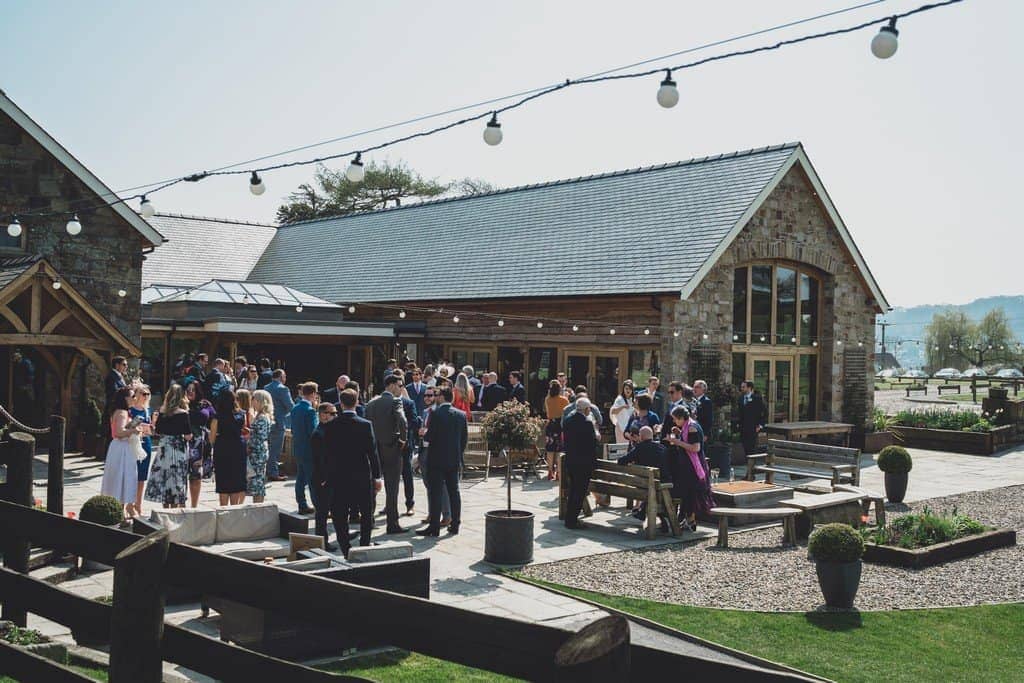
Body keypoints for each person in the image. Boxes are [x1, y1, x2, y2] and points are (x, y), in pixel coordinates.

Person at [321, 389, 383, 556]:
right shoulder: (365, 425)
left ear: (340, 404)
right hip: (361, 475)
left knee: (339, 514)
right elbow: (372, 453)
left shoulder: (331, 426)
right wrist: (377, 476)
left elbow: (326, 454)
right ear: (357, 403)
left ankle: (345, 547)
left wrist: (325, 476)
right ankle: (363, 545)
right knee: (366, 512)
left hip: (338, 476)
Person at [417, 384, 466, 536]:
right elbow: (464, 440)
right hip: (453, 459)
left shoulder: (436, 414)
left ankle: (434, 528)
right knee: (454, 492)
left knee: (436, 493)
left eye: (437, 395)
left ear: (442, 397)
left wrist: (424, 434)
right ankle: (455, 524)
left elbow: (430, 437)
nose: (435, 397)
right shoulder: (461, 414)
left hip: (436, 460)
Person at [365, 374, 408, 533]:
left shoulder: (370, 403)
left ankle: (368, 521)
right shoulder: (396, 401)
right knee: (392, 488)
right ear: (391, 385)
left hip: (374, 449)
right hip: (391, 448)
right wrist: (403, 439)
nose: (401, 388)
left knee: (371, 487)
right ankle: (392, 523)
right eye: (399, 385)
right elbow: (402, 421)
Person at [665, 405, 714, 530]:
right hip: (687, 466)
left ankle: (690, 520)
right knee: (687, 493)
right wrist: (679, 433)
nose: (674, 421)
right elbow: (688, 439)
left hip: (693, 466)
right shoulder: (688, 425)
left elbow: (695, 447)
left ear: (681, 418)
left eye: (676, 419)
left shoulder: (692, 428)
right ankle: (688, 520)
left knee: (691, 493)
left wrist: (676, 441)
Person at [618, 426, 673, 532]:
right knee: (653, 492)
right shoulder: (662, 448)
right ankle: (643, 513)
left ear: (641, 437)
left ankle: (642, 513)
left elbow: (622, 461)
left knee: (648, 490)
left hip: (646, 487)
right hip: (663, 486)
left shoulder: (640, 448)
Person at [100, 386, 144, 520]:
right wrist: (134, 431)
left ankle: (121, 511)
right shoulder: (122, 413)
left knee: (122, 478)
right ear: (125, 398)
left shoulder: (121, 411)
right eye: (132, 396)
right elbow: (118, 433)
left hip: (120, 447)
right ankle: (120, 511)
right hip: (122, 448)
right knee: (122, 477)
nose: (135, 398)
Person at [146, 383, 190, 508]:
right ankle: (175, 510)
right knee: (176, 479)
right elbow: (188, 435)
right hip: (177, 449)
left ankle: (165, 509)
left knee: (165, 478)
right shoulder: (183, 413)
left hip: (164, 448)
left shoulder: (162, 411)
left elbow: (158, 431)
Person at [562, 397, 599, 529]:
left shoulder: (567, 421)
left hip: (571, 460)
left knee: (573, 490)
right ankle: (572, 520)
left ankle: (569, 518)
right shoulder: (587, 423)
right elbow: (592, 444)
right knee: (579, 491)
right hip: (583, 463)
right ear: (586, 409)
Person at [417, 386, 451, 526]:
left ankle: (447, 515)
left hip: (436, 452)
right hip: (424, 451)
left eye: (431, 395)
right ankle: (432, 513)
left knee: (441, 486)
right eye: (426, 395)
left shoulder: (440, 413)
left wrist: (427, 432)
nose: (428, 398)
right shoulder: (425, 412)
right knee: (428, 485)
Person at [210, 388, 247, 506]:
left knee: (223, 481)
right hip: (238, 447)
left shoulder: (217, 417)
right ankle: (234, 509)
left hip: (222, 447)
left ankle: (223, 509)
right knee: (236, 480)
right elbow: (243, 430)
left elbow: (212, 438)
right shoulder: (242, 414)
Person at [183, 379, 215, 507]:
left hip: (200, 443)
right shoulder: (181, 404)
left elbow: (215, 419)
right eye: (188, 389)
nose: (190, 392)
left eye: (193, 389)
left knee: (196, 475)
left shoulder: (205, 404)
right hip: (183, 441)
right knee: (180, 475)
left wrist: (212, 438)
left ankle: (194, 506)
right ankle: (180, 505)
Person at [289, 382, 319, 514]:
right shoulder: (310, 411)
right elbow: (313, 432)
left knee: (300, 478)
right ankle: (318, 505)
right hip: (309, 449)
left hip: (298, 448)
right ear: (313, 394)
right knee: (313, 480)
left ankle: (302, 504)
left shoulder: (295, 408)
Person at [311, 401, 338, 547]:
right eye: (332, 413)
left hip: (330, 477)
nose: (335, 416)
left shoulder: (329, 430)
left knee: (331, 510)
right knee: (322, 513)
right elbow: (318, 459)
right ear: (323, 415)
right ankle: (322, 542)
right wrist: (323, 478)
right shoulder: (319, 433)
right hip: (323, 479)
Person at [129, 383, 153, 517]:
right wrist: (138, 426)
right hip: (134, 443)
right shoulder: (131, 410)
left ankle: (138, 504)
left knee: (142, 476)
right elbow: (127, 427)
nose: (146, 396)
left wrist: (151, 426)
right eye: (143, 394)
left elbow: (150, 430)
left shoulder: (146, 410)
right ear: (136, 394)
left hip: (146, 443)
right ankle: (130, 504)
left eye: (147, 394)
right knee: (133, 474)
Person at [398, 377, 421, 517]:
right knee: (389, 476)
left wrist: (403, 434)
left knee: (407, 474)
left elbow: (413, 422)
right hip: (389, 445)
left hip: (405, 444)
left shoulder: (408, 403)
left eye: (401, 385)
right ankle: (389, 504)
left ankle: (410, 504)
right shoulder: (385, 402)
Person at [265, 369, 293, 482]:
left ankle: (268, 470)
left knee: (268, 447)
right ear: (281, 377)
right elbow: (290, 405)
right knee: (275, 449)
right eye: (285, 376)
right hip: (279, 421)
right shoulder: (283, 389)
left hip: (268, 420)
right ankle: (273, 472)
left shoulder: (266, 388)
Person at [246, 389, 274, 503]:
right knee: (256, 482)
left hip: (257, 453)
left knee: (257, 483)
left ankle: (258, 506)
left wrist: (249, 442)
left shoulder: (262, 417)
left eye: (253, 399)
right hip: (258, 452)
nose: (251, 401)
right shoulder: (260, 415)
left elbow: (260, 436)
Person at [544, 380, 569, 481]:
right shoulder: (564, 400)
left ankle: (550, 471)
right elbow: (567, 412)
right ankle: (559, 472)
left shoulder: (548, 400)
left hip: (551, 424)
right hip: (560, 425)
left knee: (550, 449)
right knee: (559, 450)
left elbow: (547, 411)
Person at [737, 380, 767, 455]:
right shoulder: (740, 398)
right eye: (741, 387)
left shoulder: (757, 399)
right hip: (743, 428)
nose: (741, 389)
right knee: (745, 447)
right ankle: (746, 463)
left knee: (752, 448)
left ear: (749, 388)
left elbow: (765, 413)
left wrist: (760, 426)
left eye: (743, 387)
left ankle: (752, 464)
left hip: (753, 427)